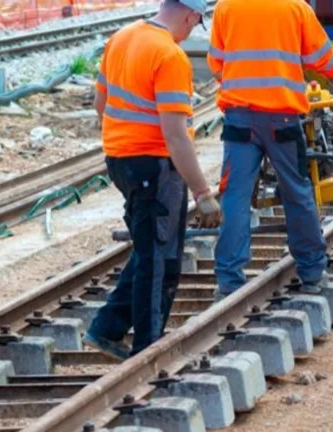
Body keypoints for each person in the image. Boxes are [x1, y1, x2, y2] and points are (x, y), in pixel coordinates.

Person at [81, 0, 222, 360]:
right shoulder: (170, 56)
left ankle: (107, 328)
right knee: (159, 259)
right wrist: (203, 191)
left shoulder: (122, 37)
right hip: (154, 166)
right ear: (191, 15)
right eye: (196, 23)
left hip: (120, 161)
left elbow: (102, 104)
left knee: (151, 250)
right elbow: (176, 135)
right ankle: (148, 351)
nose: (193, 30)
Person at [208, 0, 333, 301]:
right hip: (283, 119)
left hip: (240, 118)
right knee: (296, 190)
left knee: (235, 195)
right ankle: (312, 272)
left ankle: (229, 282)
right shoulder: (295, 7)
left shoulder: (227, 7)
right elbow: (326, 60)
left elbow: (217, 65)